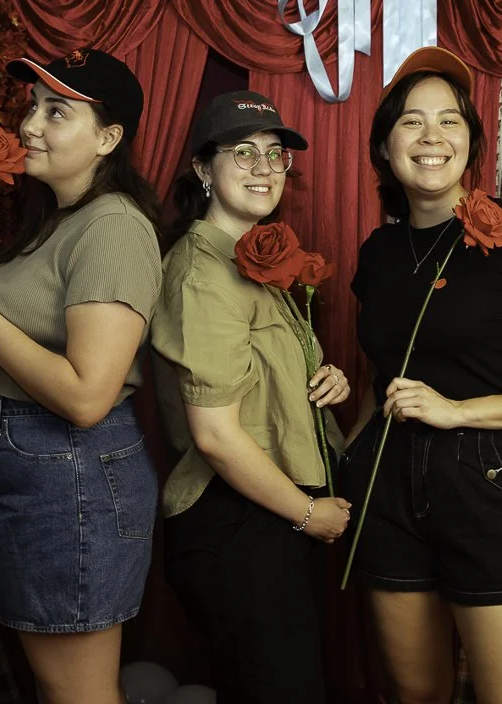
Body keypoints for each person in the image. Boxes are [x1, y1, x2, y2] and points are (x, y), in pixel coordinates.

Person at [340, 46, 502, 704]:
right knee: (416, 693)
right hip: (387, 493)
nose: (431, 137)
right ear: (384, 147)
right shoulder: (377, 253)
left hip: (488, 482)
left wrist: (459, 411)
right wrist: (343, 458)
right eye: (410, 122)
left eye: (449, 121)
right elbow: (387, 379)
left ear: (472, 142)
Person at [0, 48, 162, 704]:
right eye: (33, 107)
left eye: (56, 112)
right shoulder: (61, 221)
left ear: (107, 138)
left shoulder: (113, 227)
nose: (30, 125)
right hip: (49, 483)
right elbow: (33, 346)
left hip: (72, 481)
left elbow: (87, 395)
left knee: (77, 694)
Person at [150, 90, 353, 703]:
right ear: (201, 169)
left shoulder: (250, 266)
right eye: (242, 153)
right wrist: (307, 513)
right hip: (238, 525)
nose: (265, 169)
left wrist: (324, 375)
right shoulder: (201, 274)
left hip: (268, 520)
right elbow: (215, 434)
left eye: (275, 155)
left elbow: (261, 382)